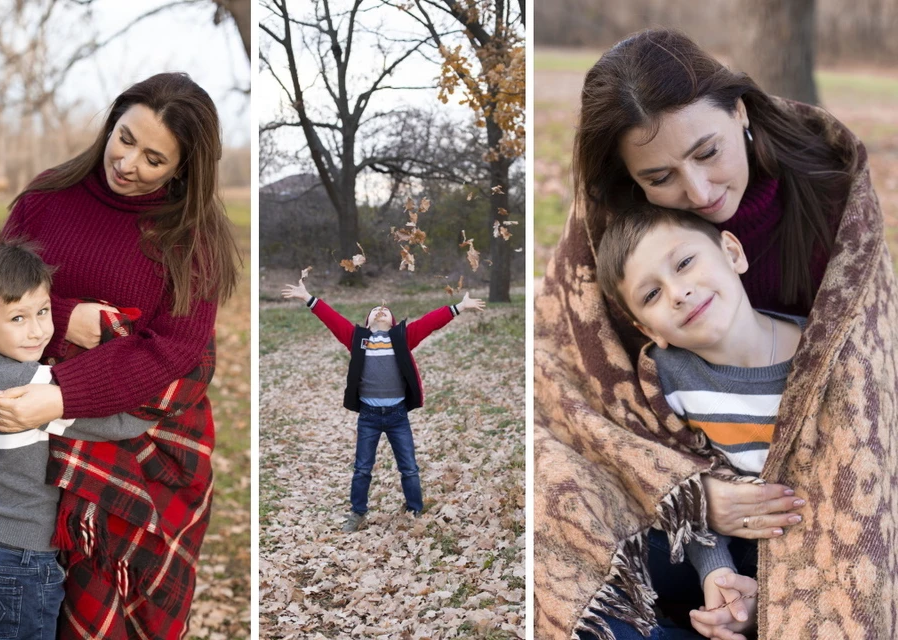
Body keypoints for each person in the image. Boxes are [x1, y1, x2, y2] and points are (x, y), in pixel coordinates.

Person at [534, 28, 895, 640]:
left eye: (707, 152)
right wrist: (690, 493)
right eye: (660, 177)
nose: (698, 193)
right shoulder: (614, 225)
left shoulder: (828, 182)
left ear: (740, 112)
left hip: (808, 489)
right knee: (551, 516)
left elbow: (864, 370)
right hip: (685, 497)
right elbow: (570, 374)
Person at [0, 72, 240, 639]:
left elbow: (177, 349)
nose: (128, 164)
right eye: (124, 139)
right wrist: (65, 314)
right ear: (110, 125)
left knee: (107, 612)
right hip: (30, 449)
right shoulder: (47, 198)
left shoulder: (193, 237)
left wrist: (62, 396)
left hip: (142, 449)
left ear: (183, 169)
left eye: (154, 158)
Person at [595, 205, 809, 639]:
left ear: (731, 251)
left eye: (685, 263)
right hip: (719, 547)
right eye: (651, 295)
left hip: (811, 550)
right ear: (647, 327)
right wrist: (719, 576)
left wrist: (768, 600)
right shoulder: (667, 376)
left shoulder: (821, 349)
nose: (677, 293)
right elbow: (681, 483)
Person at [0, 242, 179, 639]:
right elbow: (117, 423)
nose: (38, 329)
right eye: (18, 318)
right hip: (19, 558)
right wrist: (156, 400)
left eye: (42, 312)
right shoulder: (26, 388)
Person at [280, 279, 485, 532]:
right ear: (367, 323)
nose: (380, 310)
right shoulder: (357, 339)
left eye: (385, 310)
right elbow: (332, 319)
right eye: (375, 311)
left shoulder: (402, 338)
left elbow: (430, 322)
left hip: (397, 415)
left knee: (408, 467)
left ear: (393, 322)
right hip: (369, 416)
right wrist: (308, 298)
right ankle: (358, 513)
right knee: (362, 468)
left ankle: (414, 509)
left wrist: (459, 307)